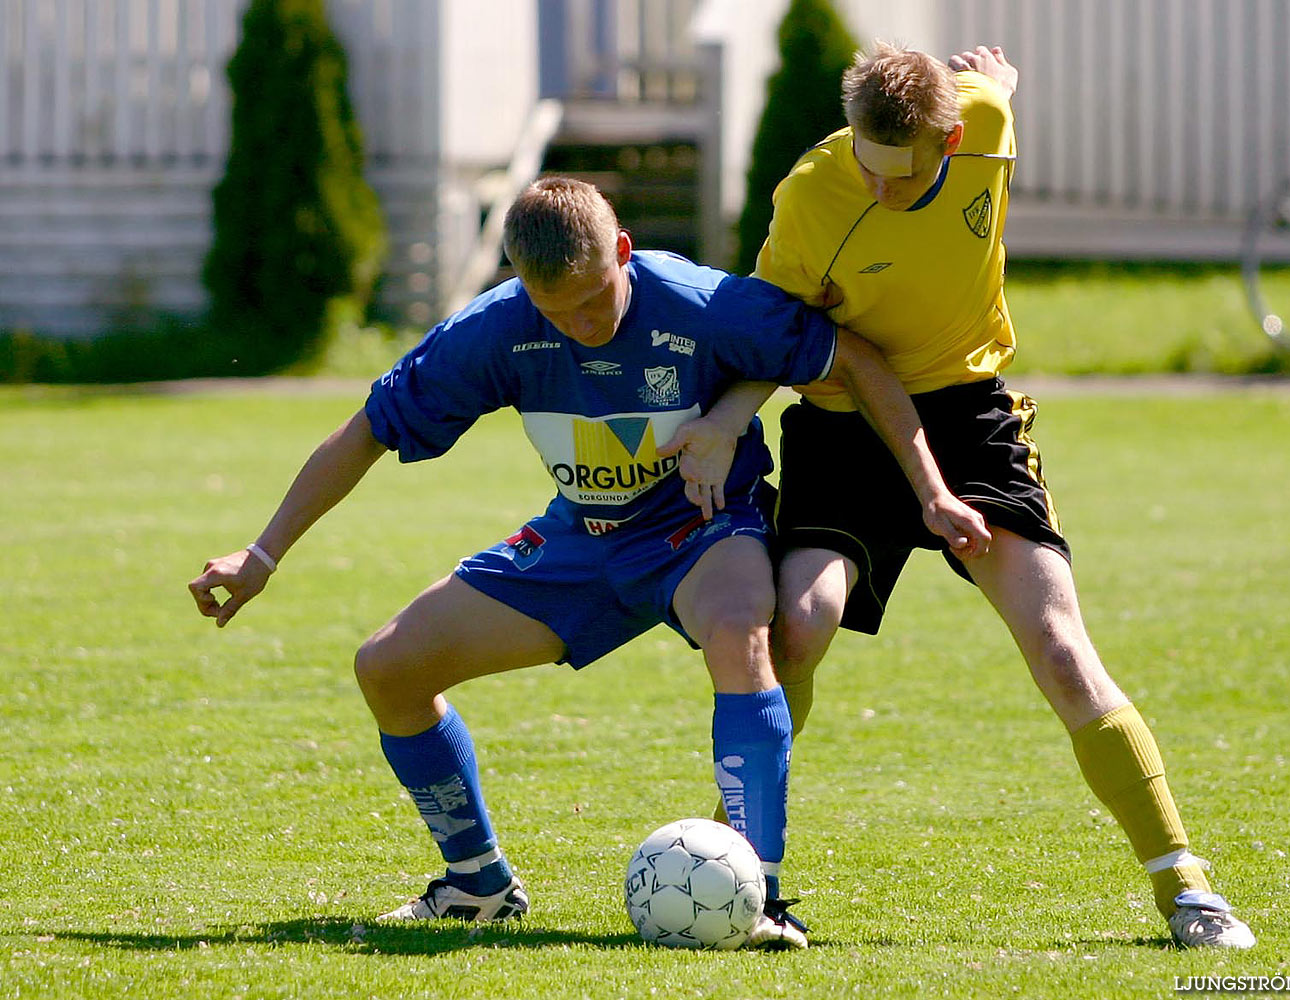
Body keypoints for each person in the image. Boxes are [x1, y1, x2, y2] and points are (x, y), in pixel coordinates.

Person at [187, 177, 985, 950]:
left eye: (595, 299)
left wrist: (932, 495)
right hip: (580, 542)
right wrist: (262, 555)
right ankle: (476, 885)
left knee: (743, 631)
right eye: (554, 311)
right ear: (522, 288)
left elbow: (855, 360)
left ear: (624, 253)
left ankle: (760, 895)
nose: (580, 327)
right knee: (388, 666)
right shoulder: (499, 327)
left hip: (704, 530)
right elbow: (368, 427)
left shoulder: (700, 303)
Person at [668, 44, 1256, 948]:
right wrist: (724, 417)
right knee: (796, 627)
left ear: (949, 141)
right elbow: (769, 335)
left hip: (971, 418)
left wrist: (1001, 80)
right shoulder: (812, 193)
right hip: (838, 423)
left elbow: (993, 89)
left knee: (1060, 649)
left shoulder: (985, 121)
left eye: (897, 179)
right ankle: (737, 876)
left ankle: (1185, 886)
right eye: (862, 164)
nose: (875, 190)